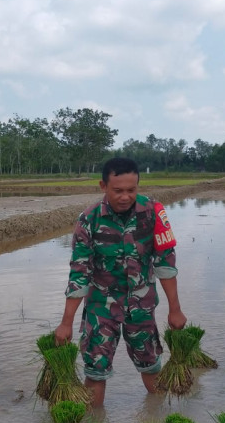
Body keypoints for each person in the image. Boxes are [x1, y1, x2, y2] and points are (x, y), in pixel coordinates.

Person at [54, 157, 187, 407]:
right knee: (95, 371)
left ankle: (159, 420)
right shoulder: (89, 220)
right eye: (118, 191)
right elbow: (79, 272)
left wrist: (175, 310)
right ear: (103, 186)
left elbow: (165, 264)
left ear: (138, 185)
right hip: (101, 307)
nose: (125, 197)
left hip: (141, 306)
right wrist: (66, 323)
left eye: (131, 190)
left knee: (151, 365)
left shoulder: (153, 212)